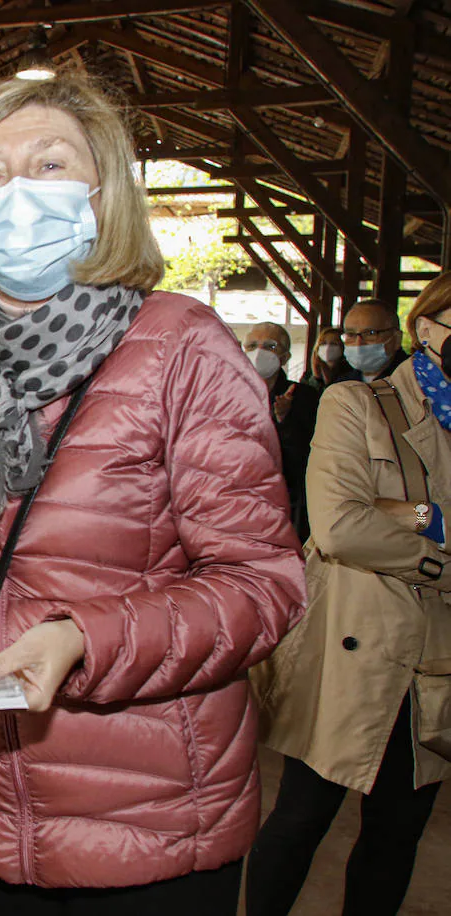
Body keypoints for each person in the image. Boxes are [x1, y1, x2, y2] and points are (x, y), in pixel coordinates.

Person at [0, 74, 305, 913]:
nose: (17, 194)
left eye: (50, 164)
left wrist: (83, 642)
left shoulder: (181, 345)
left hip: (153, 820)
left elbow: (263, 585)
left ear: (102, 192)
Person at [247, 272, 451, 916]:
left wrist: (409, 514)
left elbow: (382, 522)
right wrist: (437, 541)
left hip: (435, 658)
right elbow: (340, 527)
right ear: (425, 328)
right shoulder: (356, 404)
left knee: (396, 832)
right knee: (301, 817)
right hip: (354, 650)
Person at [245, 322, 320, 540]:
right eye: (251, 346)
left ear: (285, 357)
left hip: (287, 501)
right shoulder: (228, 391)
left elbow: (307, 455)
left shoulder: (303, 396)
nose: (258, 352)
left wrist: (284, 420)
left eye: (269, 346)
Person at [337, 298, 407, 383]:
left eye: (370, 333)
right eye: (351, 334)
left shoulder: (416, 380)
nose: (358, 343)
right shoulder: (343, 384)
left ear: (397, 338)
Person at [304, 326, 349, 392]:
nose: (327, 347)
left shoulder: (349, 375)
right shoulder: (308, 375)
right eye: (323, 343)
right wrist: (316, 378)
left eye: (334, 344)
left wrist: (328, 383)